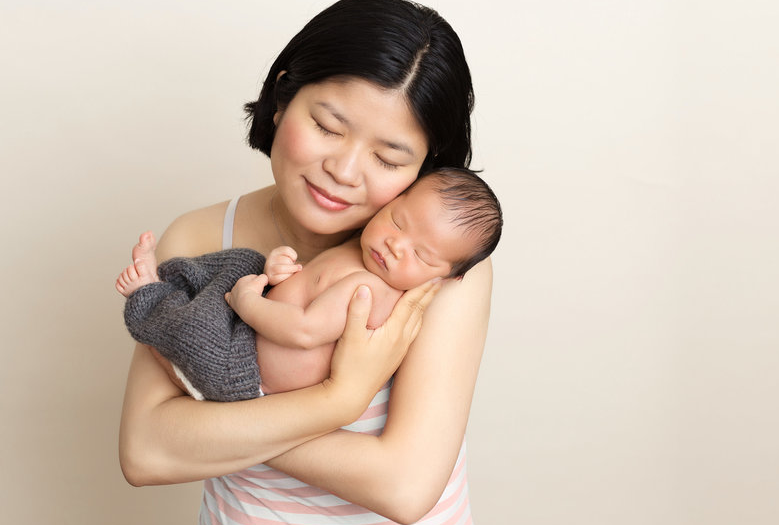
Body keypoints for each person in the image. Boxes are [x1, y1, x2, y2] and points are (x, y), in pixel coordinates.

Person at [119, 0, 492, 525]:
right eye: (327, 126)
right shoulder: (201, 236)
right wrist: (337, 399)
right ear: (282, 97)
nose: (343, 170)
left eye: (388, 158)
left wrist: (213, 418)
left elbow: (404, 487)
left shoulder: (437, 268)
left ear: (427, 166)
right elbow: (146, 452)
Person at [117, 168, 502, 401]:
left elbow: (303, 330)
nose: (395, 245)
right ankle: (174, 279)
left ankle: (148, 295)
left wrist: (248, 303)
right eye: (398, 221)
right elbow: (309, 286)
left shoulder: (369, 291)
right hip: (252, 324)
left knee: (193, 332)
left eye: (421, 255)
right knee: (243, 262)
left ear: (448, 276)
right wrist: (282, 269)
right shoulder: (361, 247)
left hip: (244, 367)